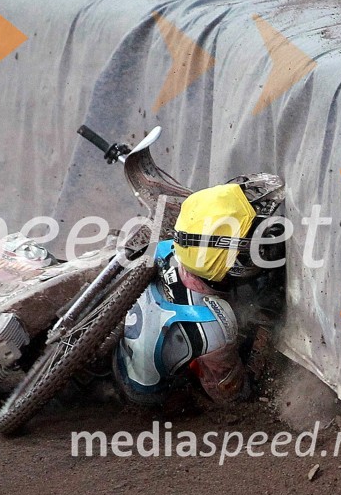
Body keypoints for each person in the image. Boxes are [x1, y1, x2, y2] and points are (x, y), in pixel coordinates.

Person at [113, 173, 286, 406]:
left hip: (115, 346)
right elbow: (229, 396)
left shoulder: (167, 249)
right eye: (249, 233)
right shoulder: (214, 327)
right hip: (147, 393)